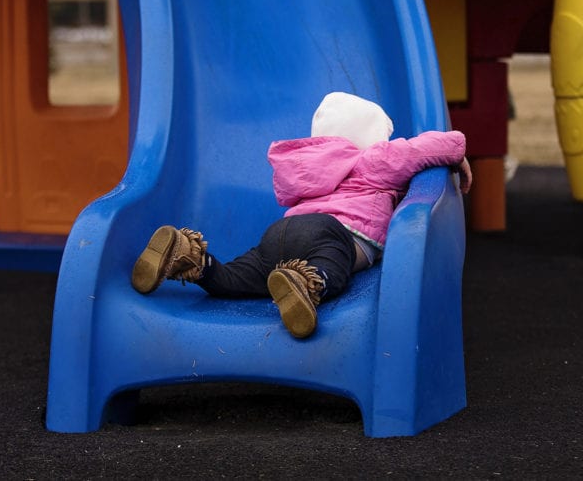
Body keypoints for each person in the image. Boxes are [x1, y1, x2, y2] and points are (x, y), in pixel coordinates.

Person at [130, 91, 472, 339]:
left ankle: (192, 257)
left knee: (233, 280)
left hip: (281, 233)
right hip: (332, 232)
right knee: (334, 264)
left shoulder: (306, 165)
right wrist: (457, 154)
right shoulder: (372, 159)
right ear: (371, 138)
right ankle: (307, 283)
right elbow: (426, 149)